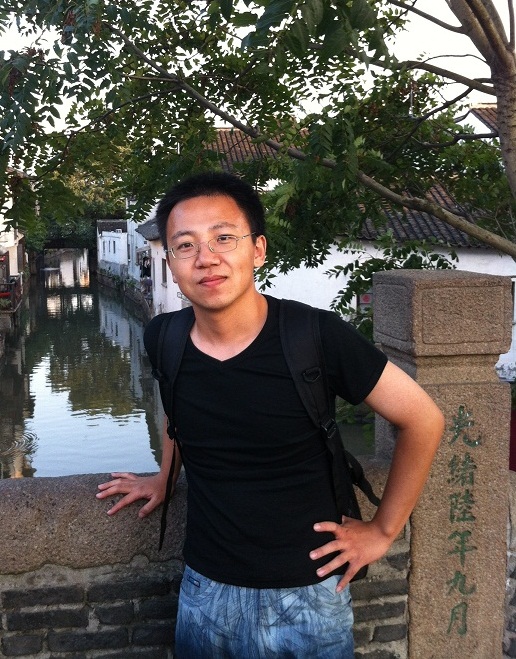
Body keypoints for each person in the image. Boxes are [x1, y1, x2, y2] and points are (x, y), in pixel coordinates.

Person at [97, 171, 444, 658]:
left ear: (258, 249)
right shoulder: (165, 338)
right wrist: (165, 477)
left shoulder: (314, 336)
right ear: (170, 263)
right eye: (185, 245)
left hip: (309, 595)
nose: (206, 258)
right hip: (205, 590)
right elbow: (178, 416)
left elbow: (424, 419)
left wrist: (383, 531)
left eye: (224, 238)